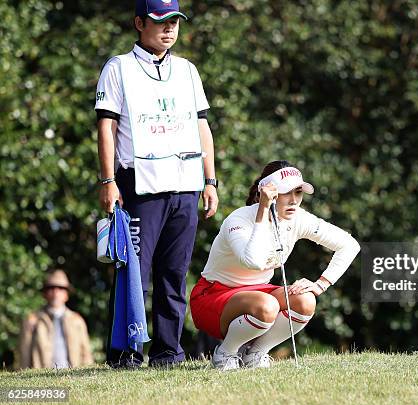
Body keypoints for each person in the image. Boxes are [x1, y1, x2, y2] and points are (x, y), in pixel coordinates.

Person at [94, 0, 218, 368]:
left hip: (186, 184)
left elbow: (202, 127)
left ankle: (168, 352)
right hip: (139, 185)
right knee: (134, 273)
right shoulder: (118, 68)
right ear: (138, 22)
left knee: (174, 275)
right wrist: (108, 180)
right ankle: (126, 352)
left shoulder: (187, 70)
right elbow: (107, 127)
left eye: (175, 22)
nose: (169, 29)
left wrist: (210, 180)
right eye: (159, 21)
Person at [190, 161, 360, 370]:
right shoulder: (239, 219)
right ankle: (226, 353)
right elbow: (253, 262)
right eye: (285, 192)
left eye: (298, 193)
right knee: (267, 306)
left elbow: (349, 245)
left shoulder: (298, 218)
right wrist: (263, 210)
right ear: (267, 193)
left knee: (306, 301)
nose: (293, 200)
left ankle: (255, 354)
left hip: (258, 295)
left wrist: (321, 284)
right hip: (212, 295)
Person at [18, 269, 93, 369]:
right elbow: (24, 354)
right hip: (41, 379)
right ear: (44, 293)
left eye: (61, 288)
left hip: (73, 378)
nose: (55, 292)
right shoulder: (32, 320)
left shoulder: (77, 321)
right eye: (51, 288)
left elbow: (86, 354)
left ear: (67, 295)